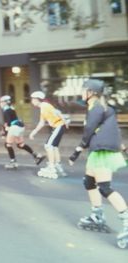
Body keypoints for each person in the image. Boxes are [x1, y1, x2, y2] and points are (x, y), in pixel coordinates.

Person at [69, 79, 128, 248]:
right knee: (89, 181)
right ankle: (97, 215)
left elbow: (88, 132)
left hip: (103, 150)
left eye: (83, 90)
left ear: (91, 92)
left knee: (104, 187)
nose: (81, 92)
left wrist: (76, 152)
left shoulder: (96, 109)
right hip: (100, 149)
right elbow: (114, 130)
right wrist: (123, 148)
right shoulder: (103, 108)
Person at [29, 91, 68, 179]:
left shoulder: (45, 105)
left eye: (33, 99)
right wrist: (34, 132)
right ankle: (57, 165)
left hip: (58, 125)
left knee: (48, 146)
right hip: (58, 126)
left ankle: (51, 166)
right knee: (54, 147)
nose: (32, 101)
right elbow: (42, 122)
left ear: (37, 99)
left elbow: (57, 112)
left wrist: (65, 122)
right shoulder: (42, 107)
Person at [0, 95, 44, 169]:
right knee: (20, 144)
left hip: (14, 127)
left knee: (8, 144)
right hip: (20, 126)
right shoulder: (11, 108)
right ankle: (37, 156)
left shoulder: (6, 110)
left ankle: (13, 162)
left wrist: (5, 133)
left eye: (1, 102)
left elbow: (8, 123)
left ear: (5, 103)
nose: (0, 104)